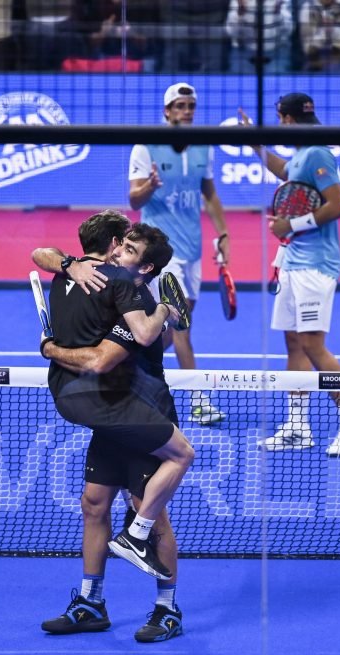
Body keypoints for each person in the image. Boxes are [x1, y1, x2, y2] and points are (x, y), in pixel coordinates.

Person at [34, 221, 186, 643]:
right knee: (94, 503)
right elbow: (42, 254)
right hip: (113, 411)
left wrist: (49, 349)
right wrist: (69, 264)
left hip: (144, 410)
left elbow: (103, 358)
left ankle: (167, 609)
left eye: (130, 250)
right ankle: (90, 602)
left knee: (149, 513)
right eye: (122, 246)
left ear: (146, 268)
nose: (118, 252)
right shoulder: (118, 292)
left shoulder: (135, 301)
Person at [239, 93, 340, 457]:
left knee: (313, 344)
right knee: (294, 343)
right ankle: (298, 425)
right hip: (294, 261)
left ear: (288, 119)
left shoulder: (316, 153)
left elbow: (338, 206)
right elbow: (283, 171)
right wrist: (256, 145)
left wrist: (290, 223)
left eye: (280, 120)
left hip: (316, 266)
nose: (280, 125)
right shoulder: (302, 153)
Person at [128, 82, 230, 426]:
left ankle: (130, 372)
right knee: (182, 326)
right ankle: (199, 400)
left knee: (170, 331)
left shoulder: (204, 147)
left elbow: (210, 194)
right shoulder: (146, 147)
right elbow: (133, 201)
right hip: (162, 250)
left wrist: (224, 232)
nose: (187, 111)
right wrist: (150, 187)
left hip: (194, 248)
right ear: (167, 111)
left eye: (191, 106)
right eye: (180, 106)